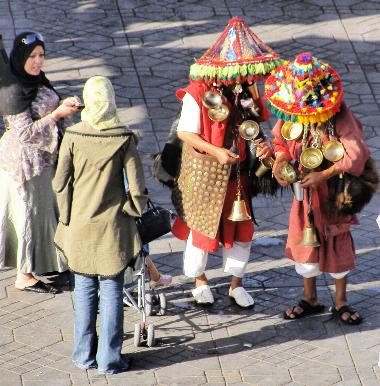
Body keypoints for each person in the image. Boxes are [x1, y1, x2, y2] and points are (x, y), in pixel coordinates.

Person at [171, 17, 282, 308]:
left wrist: (262, 146)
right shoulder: (197, 94)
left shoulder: (244, 92)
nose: (243, 81)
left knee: (241, 229)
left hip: (237, 176)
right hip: (205, 173)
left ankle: (236, 284)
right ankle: (199, 280)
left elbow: (254, 125)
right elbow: (185, 132)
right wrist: (216, 151)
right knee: (202, 229)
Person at [266, 52, 374, 325]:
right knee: (305, 239)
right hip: (304, 194)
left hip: (333, 193)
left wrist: (324, 174)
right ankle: (310, 298)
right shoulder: (293, 112)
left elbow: (356, 154)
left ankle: (340, 302)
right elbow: (279, 140)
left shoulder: (340, 116)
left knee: (336, 239)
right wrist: (280, 162)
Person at [53, 76, 148, 374]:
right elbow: (137, 188)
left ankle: (83, 355)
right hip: (113, 228)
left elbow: (59, 182)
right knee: (111, 290)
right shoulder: (124, 138)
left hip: (79, 225)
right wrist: (130, 211)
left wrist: (67, 217)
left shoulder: (73, 135)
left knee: (83, 288)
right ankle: (110, 359)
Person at [0, 32, 81, 293]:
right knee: (30, 216)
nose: (37, 62)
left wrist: (64, 104)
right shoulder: (14, 91)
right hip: (25, 166)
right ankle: (24, 275)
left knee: (46, 213)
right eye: (32, 56)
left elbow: (45, 105)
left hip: (43, 160)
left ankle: (47, 264)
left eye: (41, 55)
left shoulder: (35, 81)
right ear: (21, 57)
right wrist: (57, 114)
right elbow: (24, 133)